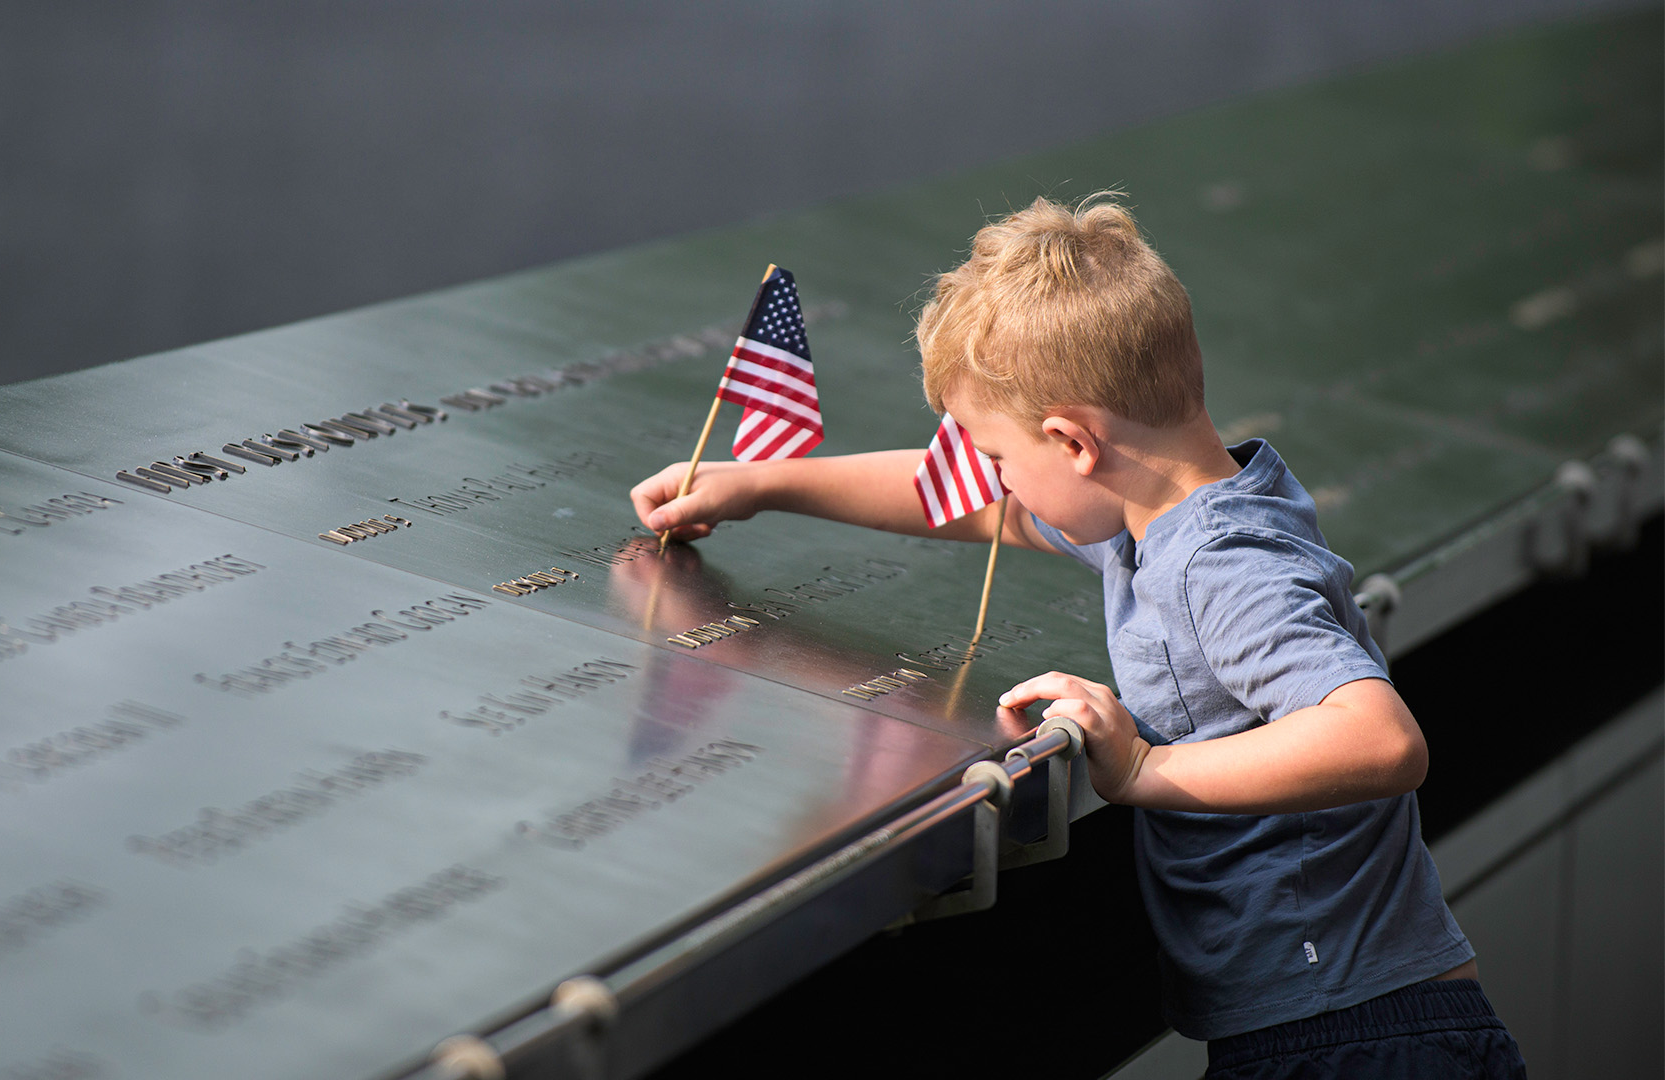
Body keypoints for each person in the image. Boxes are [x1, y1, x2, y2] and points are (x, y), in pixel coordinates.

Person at [629, 194, 1526, 1078]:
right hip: (1346, 1019)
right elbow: (972, 507)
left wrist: (1145, 771)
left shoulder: (1217, 564)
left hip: (1350, 1039)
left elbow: (1379, 738)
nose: (990, 482)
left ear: (1074, 442)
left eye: (997, 455)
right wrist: (758, 483)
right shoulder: (1166, 514)